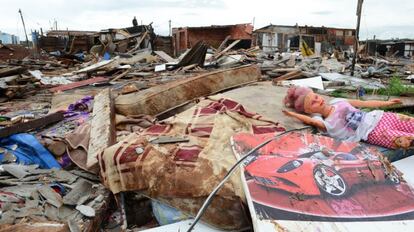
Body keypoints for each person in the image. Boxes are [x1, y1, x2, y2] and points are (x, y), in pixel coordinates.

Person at [283, 86, 414, 149]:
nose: (318, 100)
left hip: (380, 117)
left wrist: (387, 103)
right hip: (373, 133)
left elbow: (363, 103)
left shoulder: (337, 101)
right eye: (313, 103)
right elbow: (310, 121)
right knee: (409, 141)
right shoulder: (325, 123)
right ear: (308, 110)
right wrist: (293, 114)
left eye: (316, 97)